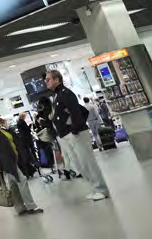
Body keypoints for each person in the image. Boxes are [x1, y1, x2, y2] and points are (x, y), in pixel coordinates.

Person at [45, 69, 109, 200]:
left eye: (48, 79)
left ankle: (101, 189)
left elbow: (77, 112)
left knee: (87, 162)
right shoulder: (57, 96)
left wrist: (74, 129)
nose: (46, 82)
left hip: (75, 133)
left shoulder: (66, 93)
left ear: (57, 79)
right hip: (65, 135)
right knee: (79, 164)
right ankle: (94, 187)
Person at [0, 109, 43, 215]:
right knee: (22, 181)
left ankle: (20, 208)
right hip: (6, 162)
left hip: (13, 159)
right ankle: (30, 206)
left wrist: (8, 127)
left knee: (13, 185)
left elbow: (15, 138)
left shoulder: (0, 128)